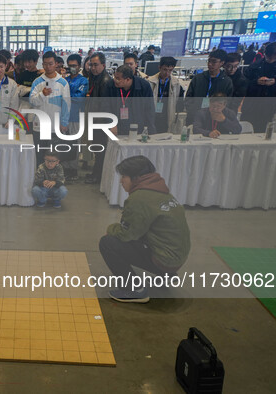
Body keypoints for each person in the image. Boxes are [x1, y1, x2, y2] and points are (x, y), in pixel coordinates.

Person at [99, 155, 190, 303]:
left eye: (124, 176)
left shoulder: (139, 198)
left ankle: (133, 290)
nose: (121, 181)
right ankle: (166, 275)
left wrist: (111, 229)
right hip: (177, 256)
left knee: (108, 242)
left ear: (136, 177)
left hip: (165, 259)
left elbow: (127, 234)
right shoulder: (161, 190)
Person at [241, 41, 276, 133]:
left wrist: (275, 83)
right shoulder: (256, 65)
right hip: (252, 105)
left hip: (273, 106)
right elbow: (244, 82)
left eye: (271, 56)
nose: (268, 58)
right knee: (247, 129)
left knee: (267, 130)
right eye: (267, 55)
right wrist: (256, 82)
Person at [85, 52, 114, 184]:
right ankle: (96, 173)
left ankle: (98, 176)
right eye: (91, 65)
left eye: (96, 65)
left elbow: (105, 106)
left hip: (100, 122)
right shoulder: (95, 77)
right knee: (97, 149)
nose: (93, 68)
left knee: (100, 150)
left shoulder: (106, 81)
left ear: (103, 65)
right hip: (94, 119)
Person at [104, 64, 156, 135]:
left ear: (128, 79)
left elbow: (149, 110)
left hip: (139, 129)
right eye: (115, 77)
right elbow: (106, 106)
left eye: (118, 79)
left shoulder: (143, 86)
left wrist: (149, 130)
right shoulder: (110, 85)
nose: (115, 80)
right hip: (117, 129)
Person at [184, 49, 233, 125]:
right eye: (209, 61)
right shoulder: (198, 78)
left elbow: (227, 102)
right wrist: (192, 111)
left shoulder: (226, 82)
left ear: (222, 63)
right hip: (195, 117)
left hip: (215, 119)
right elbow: (189, 98)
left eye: (214, 62)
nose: (210, 64)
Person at [65, 54, 89, 180]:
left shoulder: (83, 81)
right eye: (70, 66)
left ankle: (73, 170)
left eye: (74, 65)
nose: (72, 68)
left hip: (76, 117)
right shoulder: (65, 80)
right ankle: (65, 167)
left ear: (79, 66)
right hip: (64, 117)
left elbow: (79, 98)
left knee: (75, 144)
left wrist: (65, 97)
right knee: (64, 143)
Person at [147, 56, 184, 133]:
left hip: (167, 117)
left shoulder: (176, 84)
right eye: (165, 70)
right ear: (159, 68)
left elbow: (179, 103)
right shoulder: (150, 82)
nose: (167, 73)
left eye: (170, 70)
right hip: (153, 117)